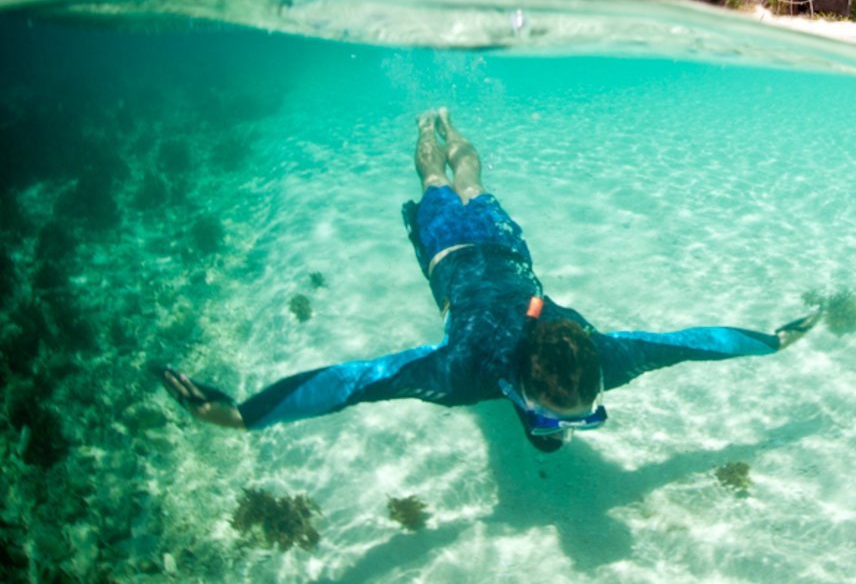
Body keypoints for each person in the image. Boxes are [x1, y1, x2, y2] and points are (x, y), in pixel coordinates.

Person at [164, 109, 821, 452]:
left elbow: (688, 345)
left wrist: (771, 341)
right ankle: (428, 132)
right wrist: (244, 416)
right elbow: (355, 383)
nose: (567, 425)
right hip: (450, 250)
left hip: (504, 248)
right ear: (517, 384)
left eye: (585, 420)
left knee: (470, 174)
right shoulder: (466, 369)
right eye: (557, 417)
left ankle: (450, 128)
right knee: (434, 178)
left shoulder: (602, 361)